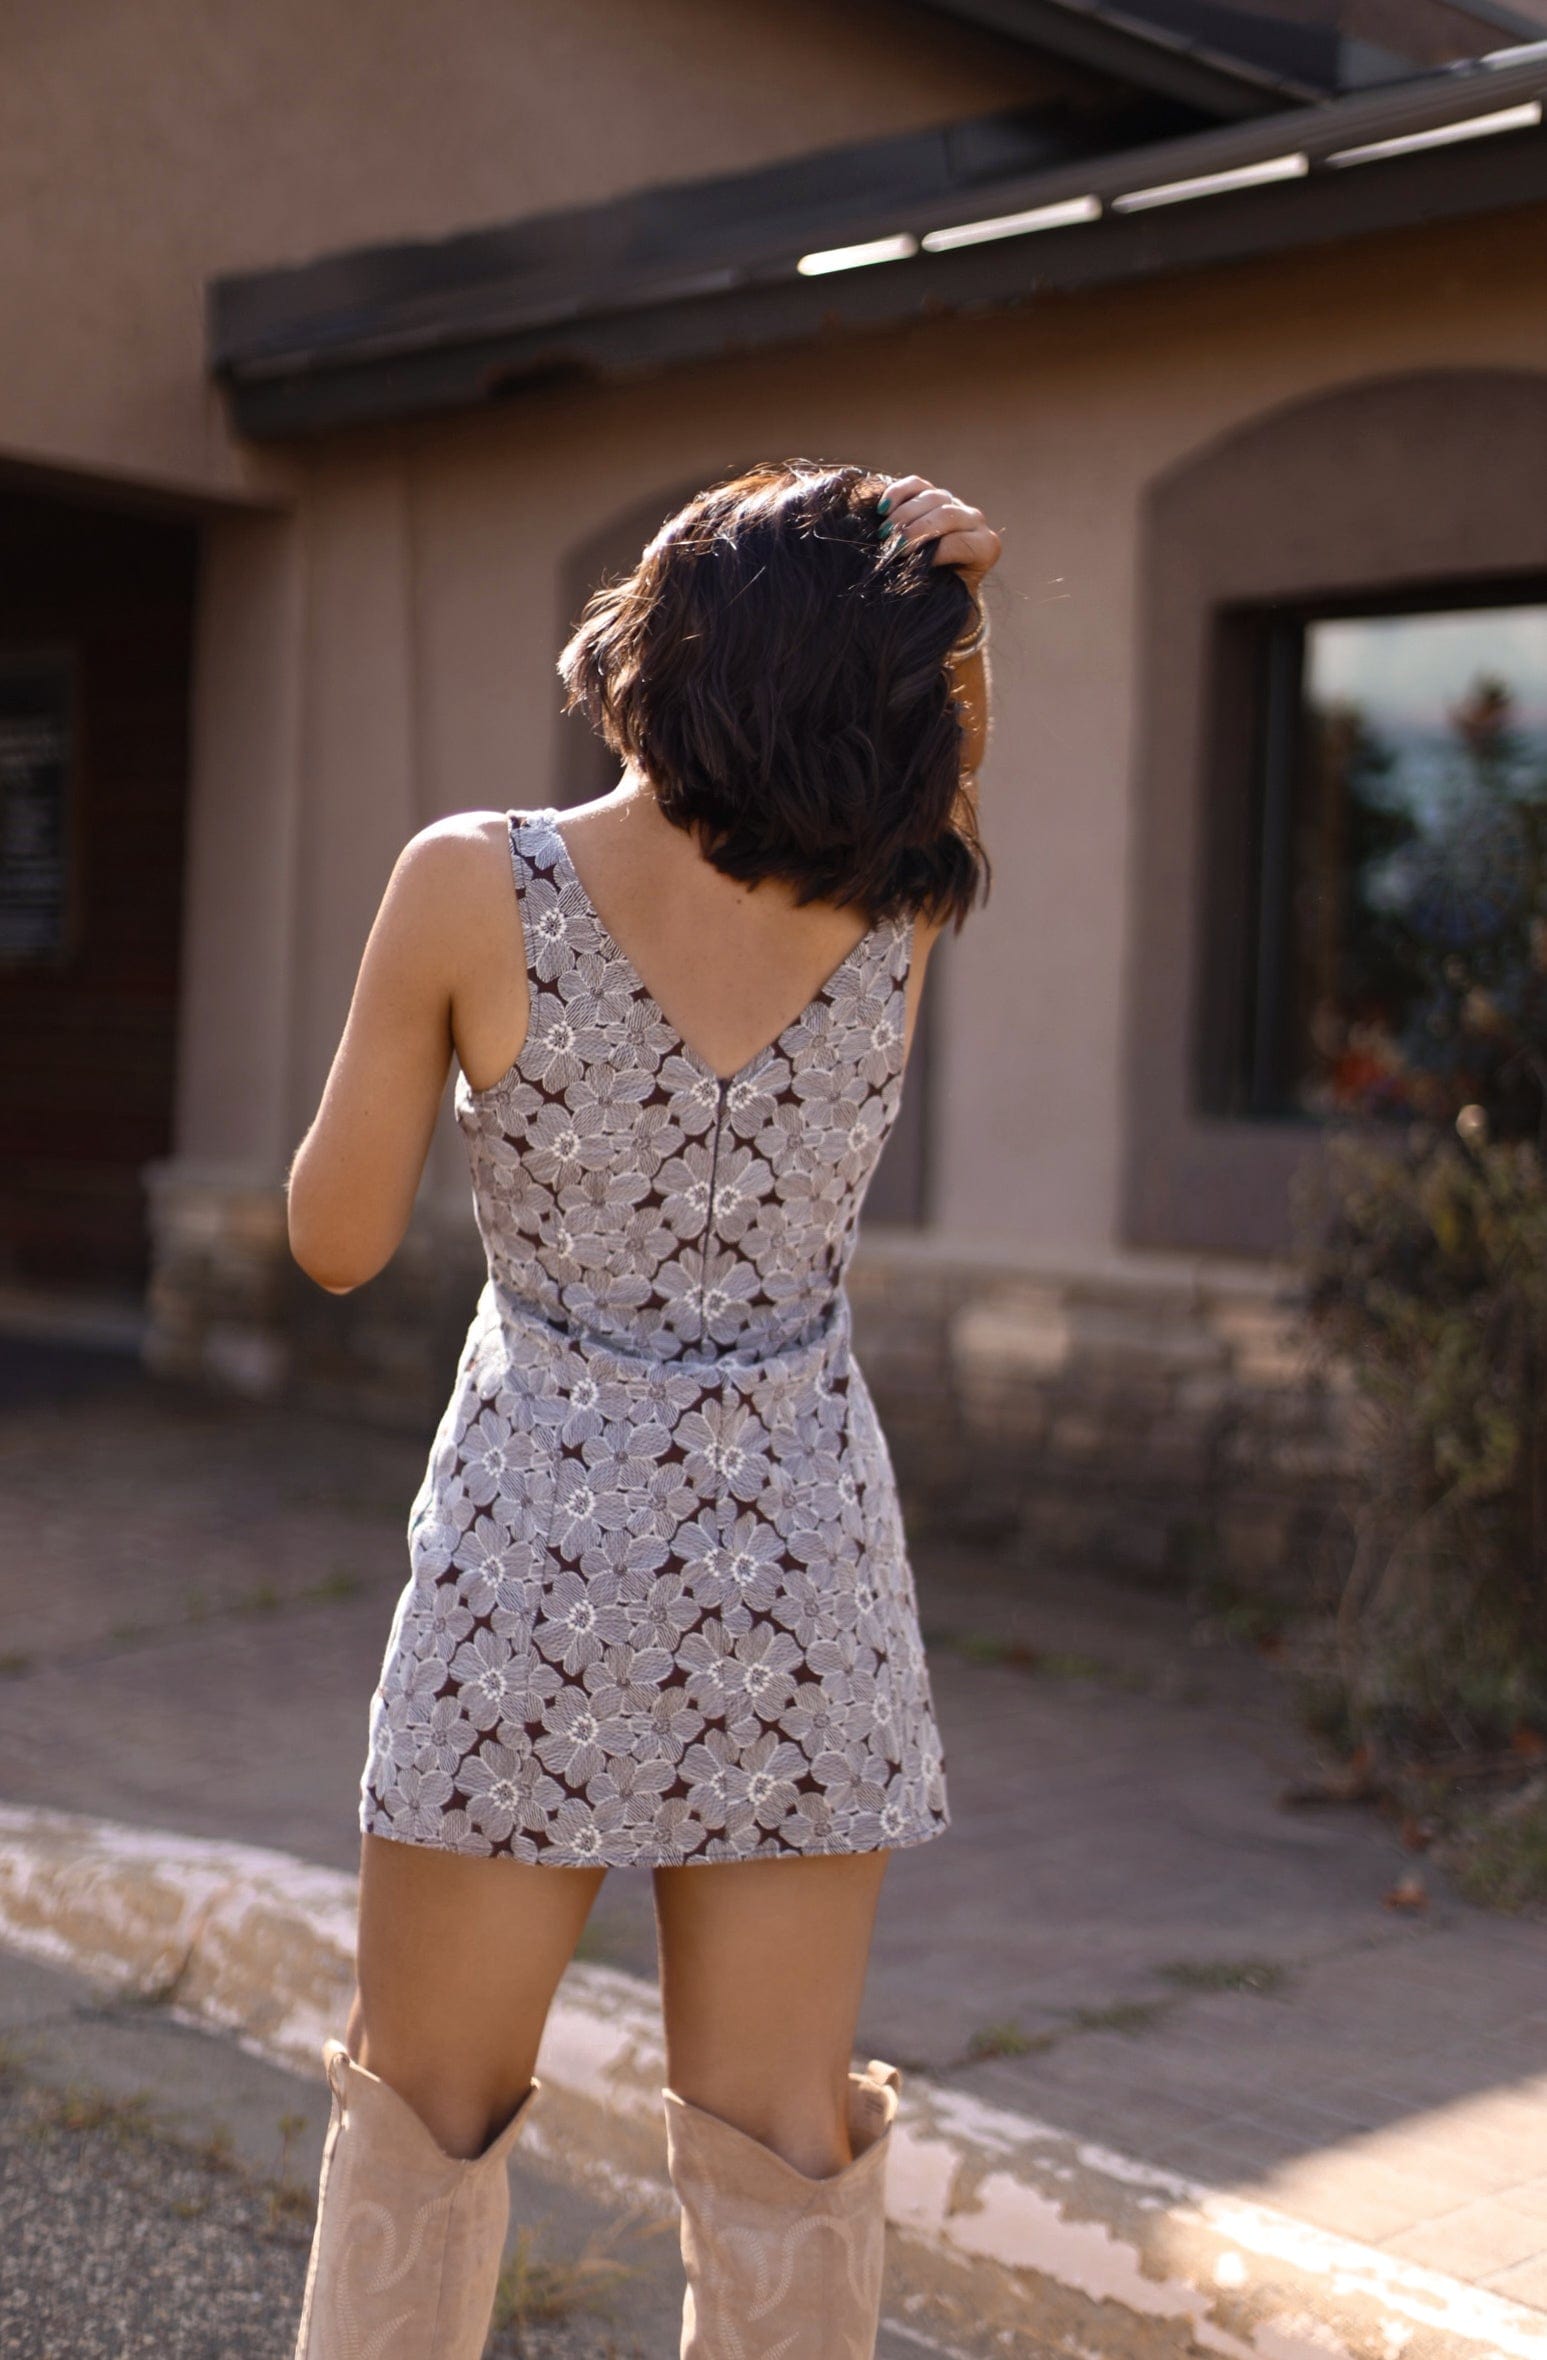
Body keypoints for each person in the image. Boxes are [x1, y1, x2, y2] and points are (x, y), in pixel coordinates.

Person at [283, 458, 1001, 2360]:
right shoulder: (899, 913)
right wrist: (943, 596)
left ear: (662, 642)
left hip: (537, 1558)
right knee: (784, 2157)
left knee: (420, 2122)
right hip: (803, 1572)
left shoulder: (474, 880)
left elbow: (335, 1241)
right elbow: (938, 758)